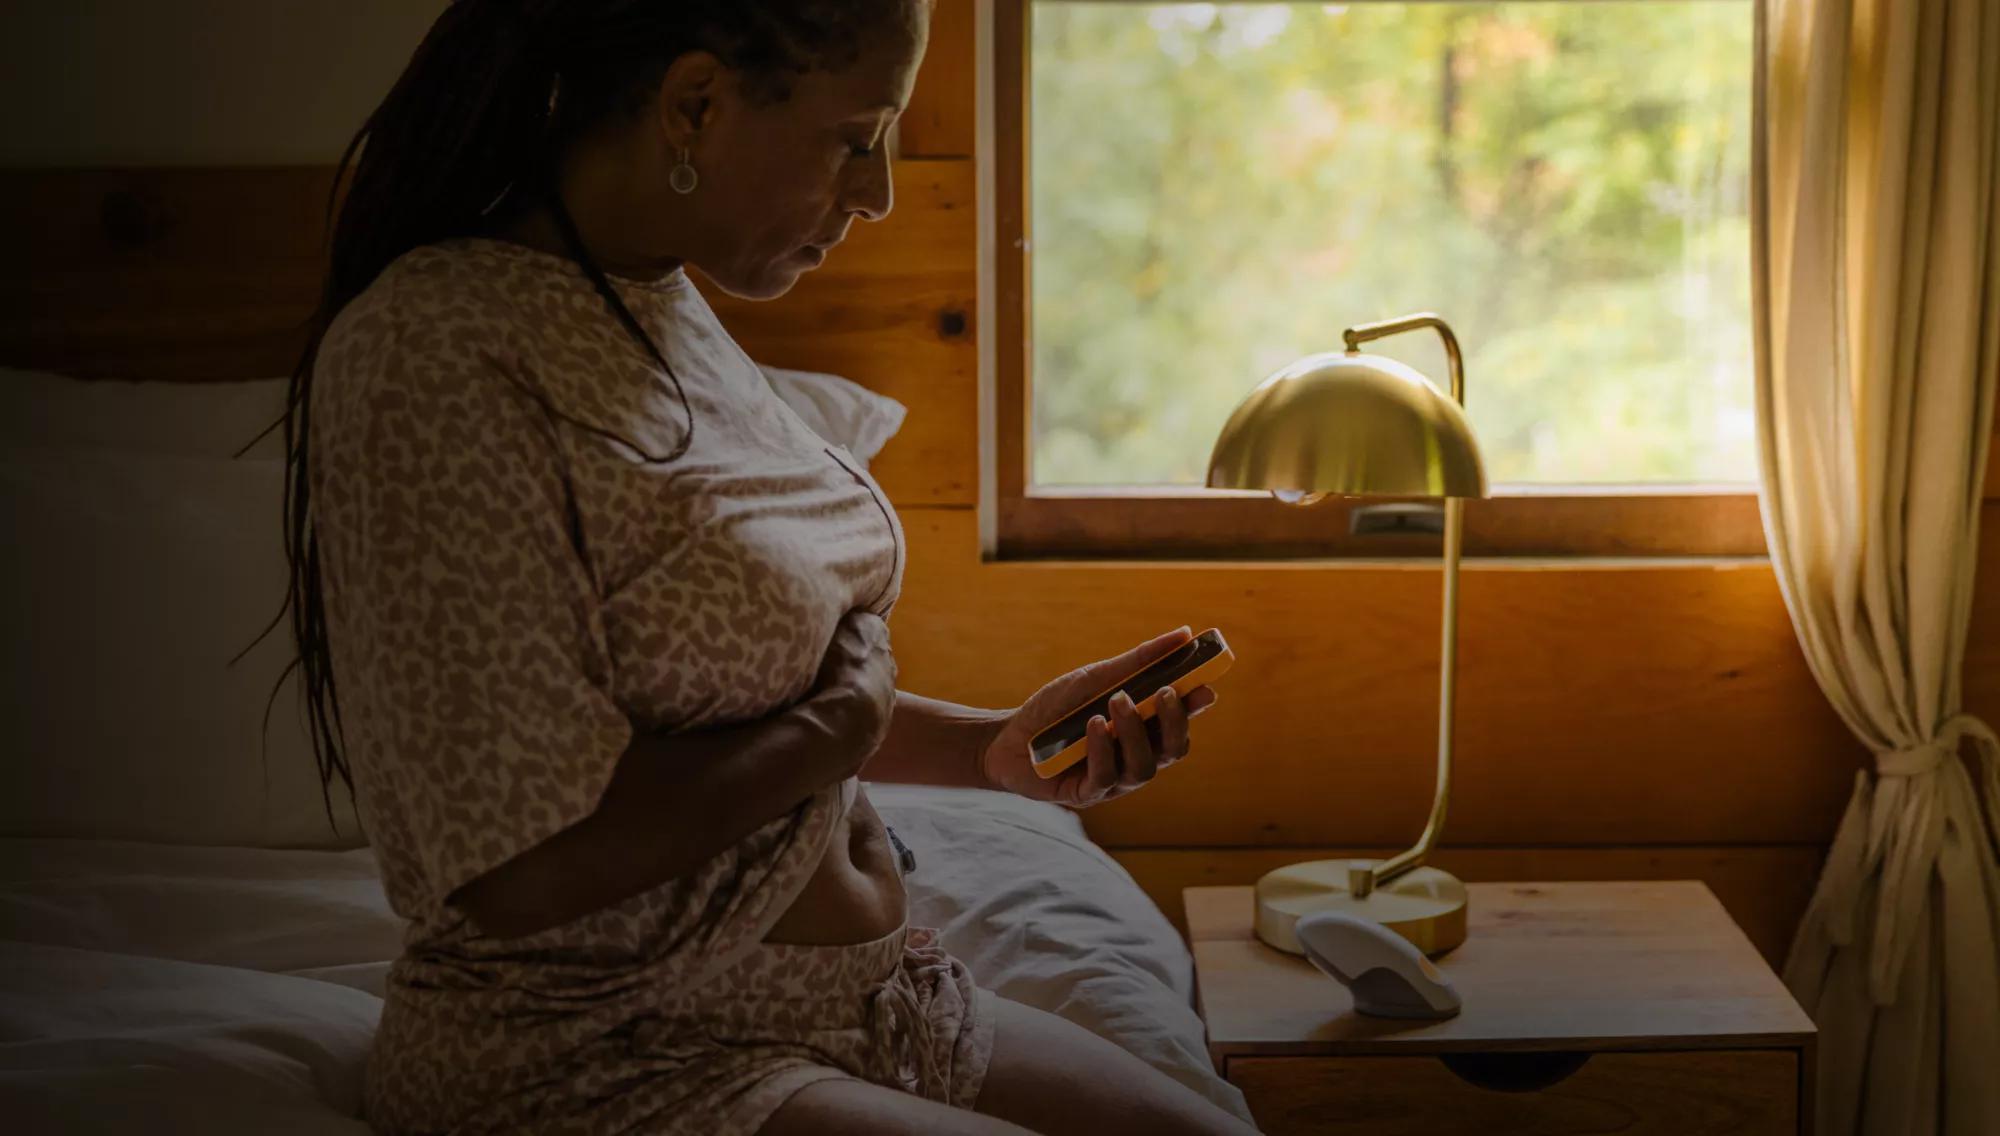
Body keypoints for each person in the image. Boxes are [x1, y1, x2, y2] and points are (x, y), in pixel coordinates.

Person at [285, 2, 1255, 1134]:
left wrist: (993, 750)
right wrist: (829, 735)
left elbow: (726, 693)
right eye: (857, 137)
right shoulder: (438, 355)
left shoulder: (660, 298)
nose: (881, 191)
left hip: (865, 1003)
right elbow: (514, 869)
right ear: (695, 103)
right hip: (610, 1049)